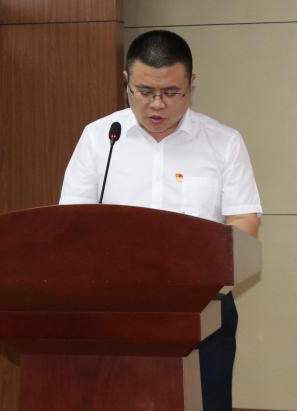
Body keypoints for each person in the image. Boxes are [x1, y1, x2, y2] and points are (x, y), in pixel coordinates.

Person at [59, 29, 262, 411]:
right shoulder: (100, 138)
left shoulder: (223, 142)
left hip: (202, 309)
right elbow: (71, 223)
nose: (157, 105)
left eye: (171, 93)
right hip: (115, 309)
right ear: (126, 81)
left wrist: (203, 267)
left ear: (191, 83)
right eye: (144, 91)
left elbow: (244, 220)